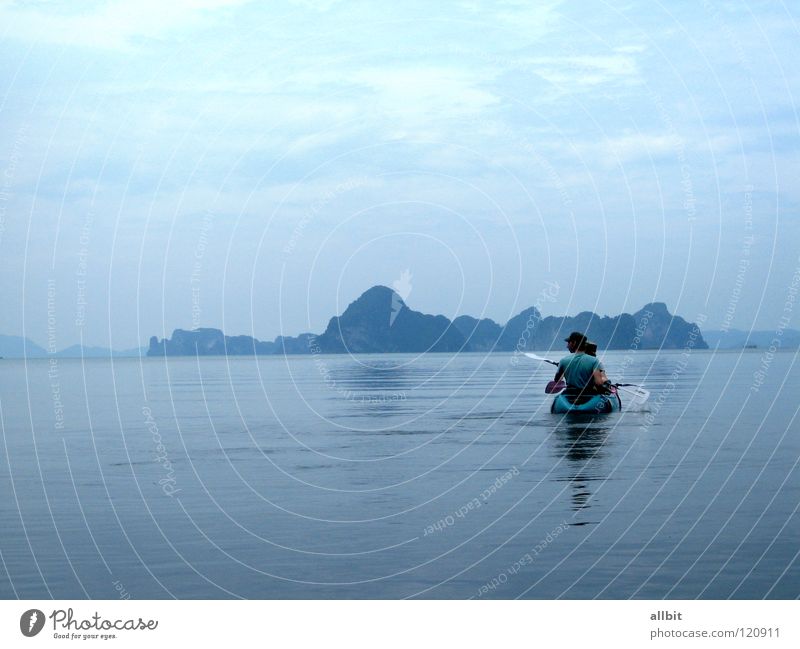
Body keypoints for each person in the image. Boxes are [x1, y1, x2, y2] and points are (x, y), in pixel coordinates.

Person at [553, 332, 609, 397]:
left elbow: (557, 380)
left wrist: (562, 368)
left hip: (570, 394)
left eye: (569, 343)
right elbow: (598, 383)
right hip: (588, 395)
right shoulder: (594, 361)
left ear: (574, 343)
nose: (567, 346)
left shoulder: (563, 361)